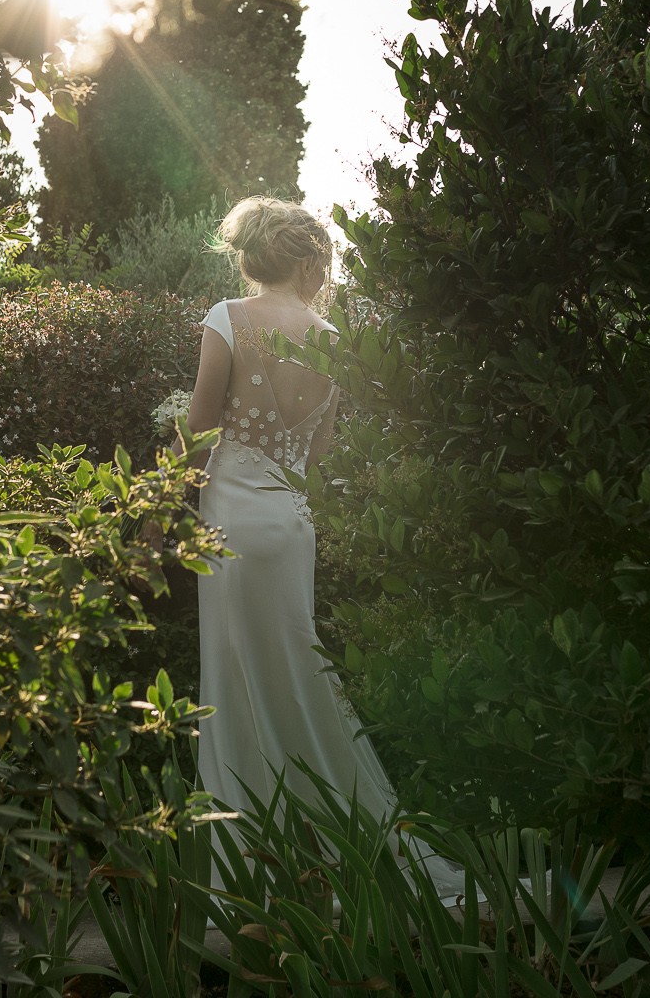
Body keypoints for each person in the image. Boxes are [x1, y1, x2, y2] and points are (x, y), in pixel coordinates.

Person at [185, 196, 465, 899]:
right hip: (291, 524)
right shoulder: (333, 338)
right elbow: (316, 458)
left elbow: (197, 432)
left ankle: (252, 871)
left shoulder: (227, 318)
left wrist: (161, 513)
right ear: (308, 261)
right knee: (296, 669)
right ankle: (339, 841)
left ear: (251, 257)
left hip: (229, 523)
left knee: (235, 677)